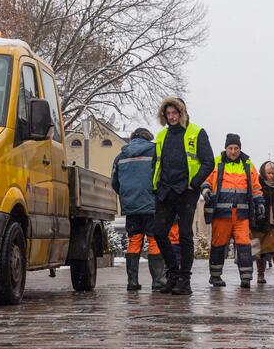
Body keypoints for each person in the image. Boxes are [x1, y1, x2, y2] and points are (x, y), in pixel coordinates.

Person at [153, 97, 215, 296]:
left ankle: (184, 279)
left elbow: (208, 162)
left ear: (182, 113)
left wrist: (194, 183)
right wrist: (155, 186)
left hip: (186, 191)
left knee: (185, 234)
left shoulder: (196, 132)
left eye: (174, 113)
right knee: (159, 231)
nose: (171, 117)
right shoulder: (161, 136)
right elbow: (156, 163)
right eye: (168, 114)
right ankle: (173, 273)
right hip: (165, 190)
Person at [201, 134, 263, 289]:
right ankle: (215, 276)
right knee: (218, 245)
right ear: (226, 148)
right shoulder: (216, 163)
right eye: (230, 148)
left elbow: (256, 187)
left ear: (240, 148)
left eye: (236, 148)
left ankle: (246, 277)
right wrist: (206, 189)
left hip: (242, 214)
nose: (233, 151)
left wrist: (260, 202)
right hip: (221, 214)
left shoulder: (248, 165)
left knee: (244, 245)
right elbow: (206, 180)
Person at [112, 127, 165, 291]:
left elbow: (115, 182)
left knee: (134, 241)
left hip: (131, 207)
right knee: (154, 241)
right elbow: (161, 175)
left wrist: (128, 196)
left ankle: (132, 282)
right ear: (148, 138)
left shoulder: (120, 156)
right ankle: (157, 281)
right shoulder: (155, 152)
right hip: (151, 205)